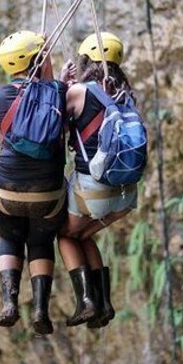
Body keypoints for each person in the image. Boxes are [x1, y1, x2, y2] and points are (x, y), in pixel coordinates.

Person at [0, 30, 68, 335]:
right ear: (40, 58)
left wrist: (44, 67)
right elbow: (49, 98)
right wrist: (53, 73)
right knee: (40, 241)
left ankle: (9, 302)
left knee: (9, 236)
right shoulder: (59, 91)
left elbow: (24, 104)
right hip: (48, 196)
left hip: (7, 191)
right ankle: (40, 310)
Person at [57, 32, 139, 329]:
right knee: (83, 235)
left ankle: (86, 302)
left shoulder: (80, 91)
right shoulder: (125, 92)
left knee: (65, 235)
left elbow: (54, 121)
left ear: (84, 60)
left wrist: (61, 84)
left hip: (94, 189)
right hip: (126, 193)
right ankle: (103, 304)